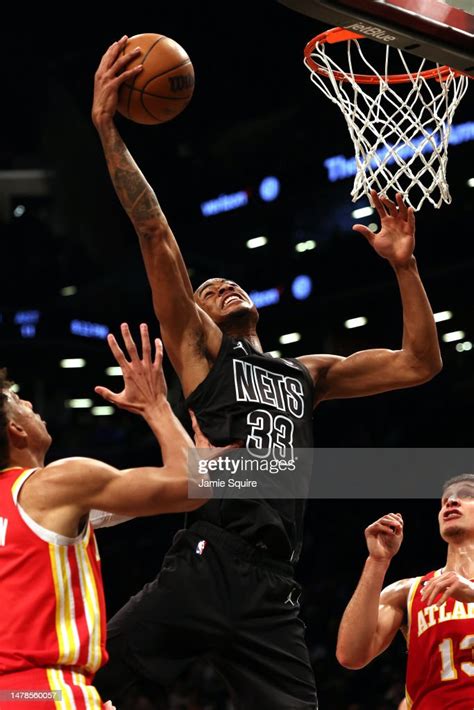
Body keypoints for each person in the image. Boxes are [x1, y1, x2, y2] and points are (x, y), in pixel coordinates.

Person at [92, 36, 442, 710]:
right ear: (191, 316)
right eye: (209, 289)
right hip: (208, 556)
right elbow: (156, 235)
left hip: (274, 583)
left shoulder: (307, 372)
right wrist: (109, 131)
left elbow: (419, 364)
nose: (224, 287)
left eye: (231, 283)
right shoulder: (201, 351)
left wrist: (404, 266)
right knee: (98, 679)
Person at [0, 323, 213, 709]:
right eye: (19, 402)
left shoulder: (46, 505)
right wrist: (156, 404)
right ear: (15, 429)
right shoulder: (57, 484)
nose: (30, 405)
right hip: (45, 692)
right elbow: (192, 484)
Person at [336, 474, 474, 709]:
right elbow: (351, 655)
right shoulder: (409, 591)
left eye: (467, 495)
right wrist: (377, 561)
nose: (451, 501)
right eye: (445, 500)